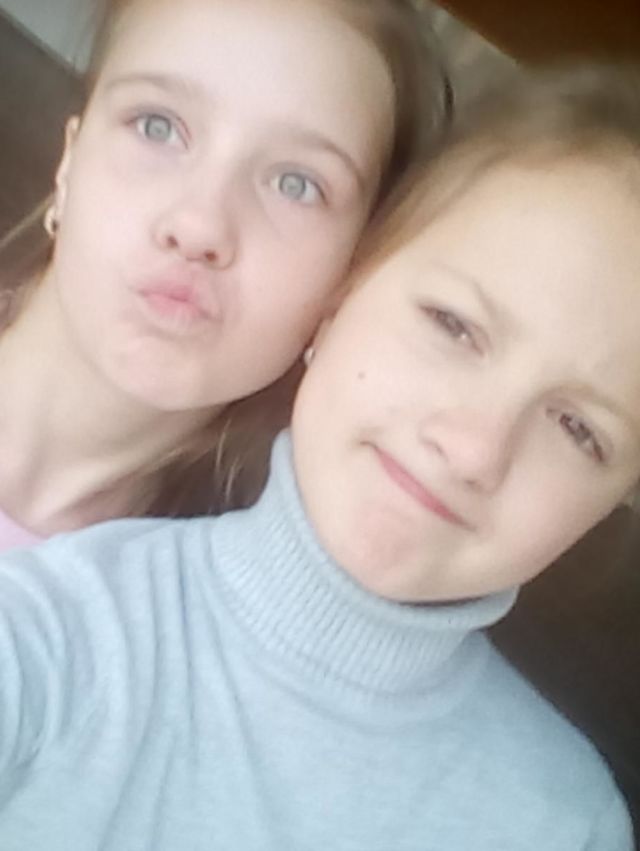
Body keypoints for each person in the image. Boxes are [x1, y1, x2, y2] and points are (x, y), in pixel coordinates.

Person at [0, 63, 638, 849]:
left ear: (608, 505)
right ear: (334, 307)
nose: (474, 448)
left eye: (580, 430)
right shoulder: (48, 631)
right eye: (453, 325)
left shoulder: (570, 823)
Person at [0, 0, 446, 549]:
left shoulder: (227, 593)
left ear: (350, 273)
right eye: (157, 127)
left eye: (296, 184)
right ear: (70, 160)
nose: (199, 226)